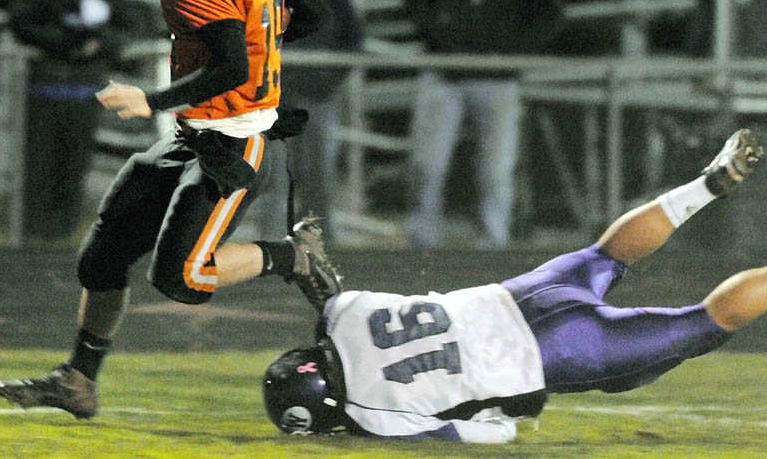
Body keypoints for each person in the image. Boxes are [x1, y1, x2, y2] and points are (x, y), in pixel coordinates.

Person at [0, 0, 341, 419]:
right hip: (199, 132)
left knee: (182, 276)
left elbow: (232, 68)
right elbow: (311, 12)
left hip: (232, 140)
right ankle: (78, 380)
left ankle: (291, 256)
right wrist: (262, 55)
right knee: (102, 258)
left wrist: (149, 99)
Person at [263, 128, 766, 444]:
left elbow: (486, 435)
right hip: (519, 294)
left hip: (553, 353)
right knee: (605, 256)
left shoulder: (371, 415)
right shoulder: (347, 314)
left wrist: (500, 417)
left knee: (703, 325)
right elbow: (330, 298)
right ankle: (707, 185)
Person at [401, 0, 565, 251]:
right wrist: (434, 31)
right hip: (446, 72)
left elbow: (551, 12)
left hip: (497, 76)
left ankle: (493, 242)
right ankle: (422, 239)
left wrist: (515, 48)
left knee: (495, 171)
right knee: (427, 165)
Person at [8, 0, 132, 240]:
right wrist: (61, 40)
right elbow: (20, 21)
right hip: (45, 87)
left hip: (84, 90)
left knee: (73, 168)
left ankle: (61, 235)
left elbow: (127, 26)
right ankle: (31, 235)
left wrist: (100, 44)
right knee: (39, 167)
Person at [252, 0, 364, 245]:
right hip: (271, 94)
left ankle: (319, 251)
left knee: (316, 176)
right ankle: (267, 252)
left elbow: (351, 32)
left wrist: (330, 79)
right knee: (272, 174)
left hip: (316, 92)